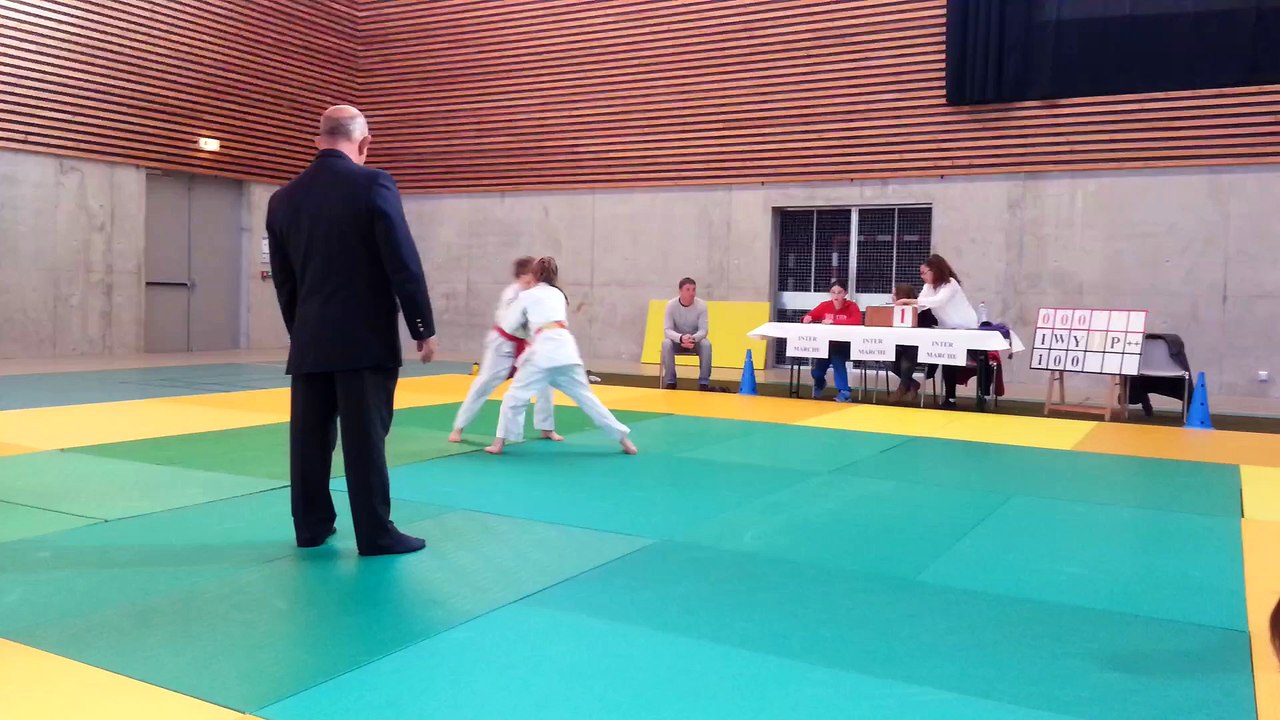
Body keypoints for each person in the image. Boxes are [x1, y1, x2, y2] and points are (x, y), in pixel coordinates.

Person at [266, 105, 435, 556]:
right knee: (365, 440)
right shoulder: (374, 183)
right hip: (365, 340)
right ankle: (375, 533)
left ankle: (311, 526)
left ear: (317, 139)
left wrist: (301, 331)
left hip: (310, 340)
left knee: (309, 441)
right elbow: (402, 259)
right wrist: (421, 324)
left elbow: (284, 280)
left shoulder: (282, 198)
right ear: (365, 144)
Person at [485, 257, 637, 456]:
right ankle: (625, 441)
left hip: (542, 354)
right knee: (588, 399)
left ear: (535, 275)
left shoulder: (528, 295)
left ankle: (498, 444)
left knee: (514, 397)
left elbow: (509, 325)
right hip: (566, 351)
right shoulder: (558, 294)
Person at [449, 256, 561, 443]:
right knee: (484, 384)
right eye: (530, 277)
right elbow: (512, 325)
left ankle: (546, 427)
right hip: (502, 346)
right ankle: (458, 427)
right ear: (522, 276)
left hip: (526, 345)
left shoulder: (537, 294)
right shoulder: (511, 294)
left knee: (545, 381)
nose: (533, 281)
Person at [894, 254, 978, 409]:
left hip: (966, 327)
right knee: (948, 362)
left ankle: (981, 396)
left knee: (976, 363)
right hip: (947, 329)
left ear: (935, 270)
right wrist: (900, 312)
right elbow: (921, 306)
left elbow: (937, 301)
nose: (922, 276)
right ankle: (950, 399)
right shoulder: (928, 287)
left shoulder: (950, 284)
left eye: (924, 272)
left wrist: (908, 300)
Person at [803, 280, 862, 402]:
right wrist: (806, 318)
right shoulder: (825, 305)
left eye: (839, 292)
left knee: (837, 359)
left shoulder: (852, 306)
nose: (836, 296)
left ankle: (844, 391)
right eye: (833, 292)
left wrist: (835, 322)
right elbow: (810, 315)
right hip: (825, 345)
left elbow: (856, 321)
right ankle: (820, 383)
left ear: (845, 293)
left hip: (844, 345)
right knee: (817, 372)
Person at [661, 277, 712, 390]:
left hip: (694, 342)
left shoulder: (702, 306)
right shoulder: (671, 305)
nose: (691, 293)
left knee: (706, 344)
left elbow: (704, 330)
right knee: (666, 343)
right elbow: (667, 330)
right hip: (677, 341)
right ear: (680, 291)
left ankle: (704, 383)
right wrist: (681, 338)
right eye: (688, 290)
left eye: (693, 289)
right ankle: (670, 381)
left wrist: (692, 338)